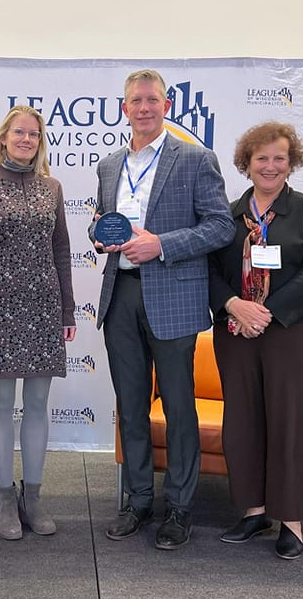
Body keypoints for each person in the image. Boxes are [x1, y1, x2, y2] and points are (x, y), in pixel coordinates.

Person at [90, 69, 234, 550]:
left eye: (153, 100)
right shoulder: (109, 166)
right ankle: (137, 502)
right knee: (130, 408)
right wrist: (100, 235)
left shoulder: (196, 159)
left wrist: (162, 245)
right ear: (124, 109)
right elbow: (104, 221)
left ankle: (180, 508)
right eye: (136, 101)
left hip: (172, 295)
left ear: (167, 106)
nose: (144, 108)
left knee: (177, 408)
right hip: (121, 294)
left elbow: (220, 227)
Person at [208, 122, 303, 560]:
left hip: (294, 332)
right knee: (244, 419)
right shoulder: (226, 213)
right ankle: (255, 509)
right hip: (237, 331)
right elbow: (208, 270)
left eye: (279, 158)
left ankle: (292, 519)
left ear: (291, 162)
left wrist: (268, 310)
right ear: (246, 163)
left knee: (291, 421)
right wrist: (231, 305)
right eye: (261, 158)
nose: (270, 166)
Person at [0, 106, 76, 540]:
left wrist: (67, 309)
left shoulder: (53, 188)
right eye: (19, 133)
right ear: (5, 137)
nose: (26, 139)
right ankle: (5, 500)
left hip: (44, 308)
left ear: (40, 141)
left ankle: (34, 497)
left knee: (37, 405)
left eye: (34, 134)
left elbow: (62, 250)